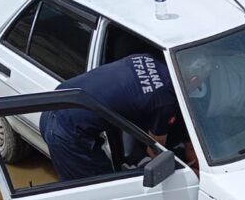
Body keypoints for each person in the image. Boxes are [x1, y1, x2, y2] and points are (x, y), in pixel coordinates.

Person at [40, 53, 181, 182]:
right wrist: (187, 171)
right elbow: (157, 151)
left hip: (55, 102)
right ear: (192, 79)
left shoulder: (146, 58)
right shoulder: (165, 101)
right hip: (67, 131)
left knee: (82, 186)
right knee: (98, 193)